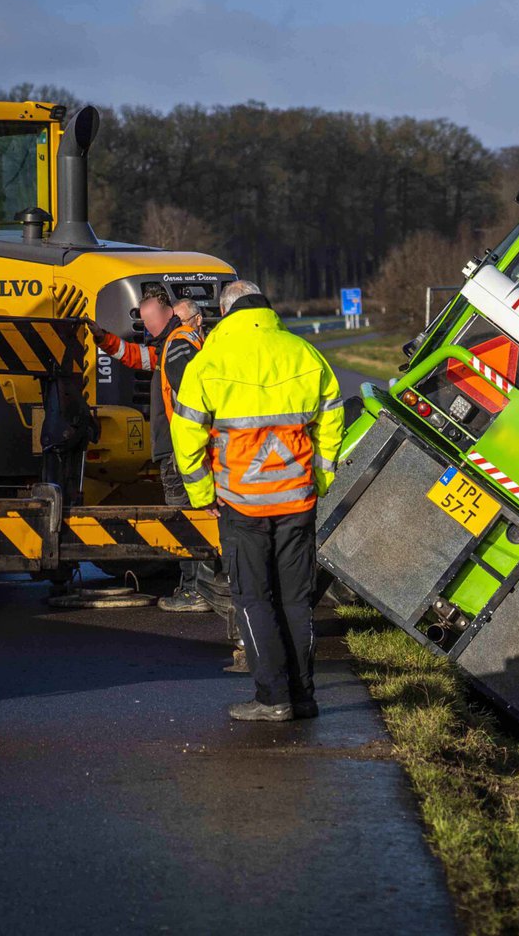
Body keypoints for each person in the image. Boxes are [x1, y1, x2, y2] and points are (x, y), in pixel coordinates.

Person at [172, 279, 344, 722]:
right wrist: (321, 476)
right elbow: (332, 416)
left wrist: (201, 492)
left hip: (241, 502)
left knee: (253, 598)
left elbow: (186, 433)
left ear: (226, 313)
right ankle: (304, 696)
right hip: (297, 499)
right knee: (295, 599)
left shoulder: (209, 360)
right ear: (265, 307)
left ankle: (272, 698)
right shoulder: (304, 353)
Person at [87, 288, 206, 610]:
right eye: (145, 321)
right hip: (179, 448)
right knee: (192, 519)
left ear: (170, 314)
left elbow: (194, 400)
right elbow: (135, 357)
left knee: (185, 521)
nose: (149, 326)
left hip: (179, 450)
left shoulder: (178, 345)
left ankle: (195, 591)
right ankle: (197, 588)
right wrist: (103, 339)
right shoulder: (169, 345)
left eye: (152, 319)